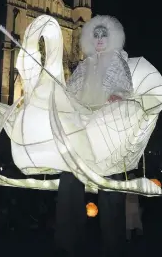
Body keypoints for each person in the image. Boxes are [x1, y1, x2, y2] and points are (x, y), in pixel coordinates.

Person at [55, 15, 132, 257]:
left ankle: (114, 245)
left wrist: (118, 98)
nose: (99, 40)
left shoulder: (117, 61)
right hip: (81, 130)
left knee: (109, 187)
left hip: (106, 129)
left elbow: (126, 88)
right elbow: (70, 92)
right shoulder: (84, 65)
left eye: (103, 35)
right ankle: (68, 243)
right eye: (95, 35)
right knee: (69, 183)